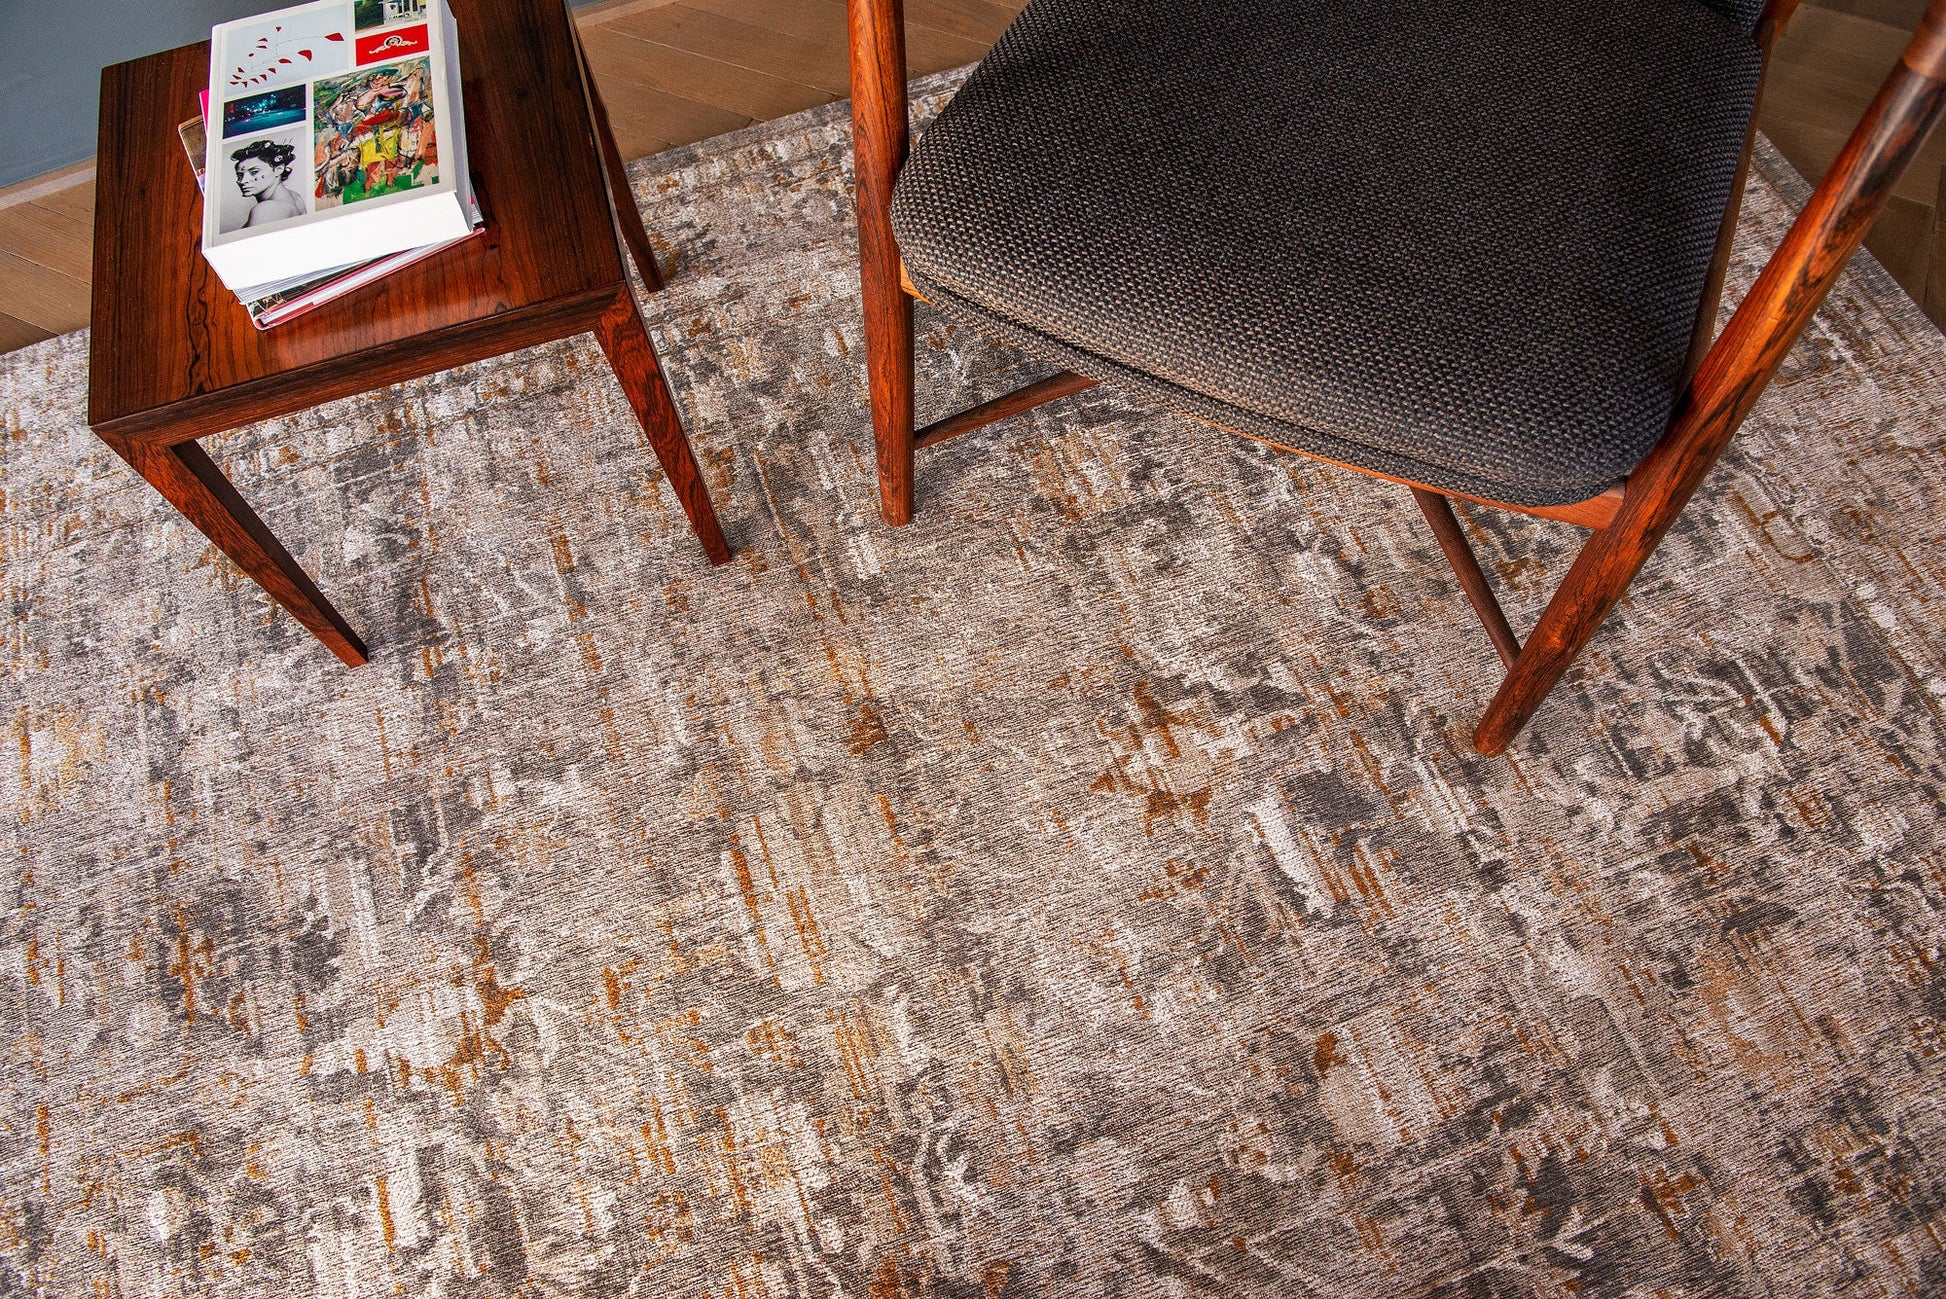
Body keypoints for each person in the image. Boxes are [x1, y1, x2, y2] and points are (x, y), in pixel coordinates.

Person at [230, 139, 303, 228]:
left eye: (254, 172)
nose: (242, 181)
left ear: (278, 170)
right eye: (239, 175)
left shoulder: (265, 209)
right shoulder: (295, 197)